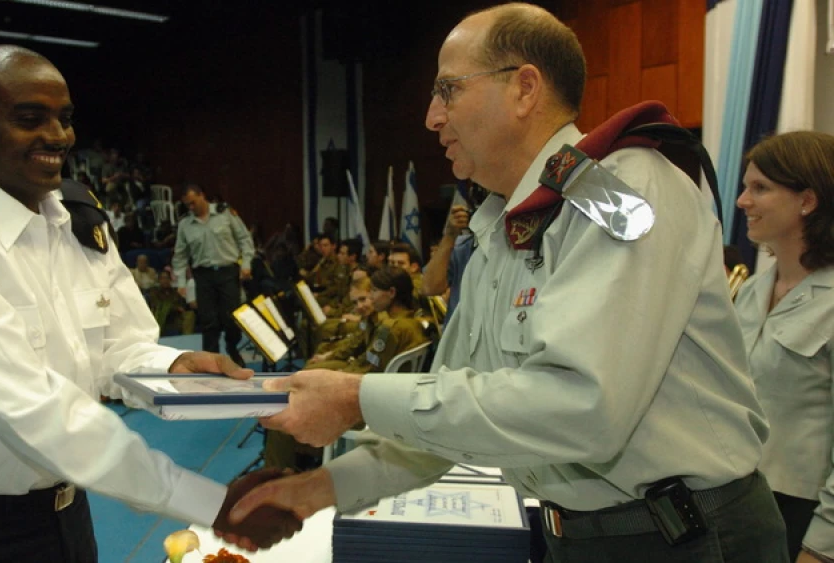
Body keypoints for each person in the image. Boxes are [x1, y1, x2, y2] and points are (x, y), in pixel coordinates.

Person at [226, 5, 787, 562]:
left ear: (524, 89)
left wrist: (357, 398)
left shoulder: (622, 191)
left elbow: (581, 407)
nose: (431, 117)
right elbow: (451, 418)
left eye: (448, 90)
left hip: (685, 540)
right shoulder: (505, 229)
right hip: (584, 539)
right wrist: (313, 491)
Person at [0, 45, 298, 563]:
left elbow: (117, 348)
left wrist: (173, 363)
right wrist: (210, 502)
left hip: (69, 514)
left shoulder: (78, 220)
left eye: (65, 119)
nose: (57, 136)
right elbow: (35, 410)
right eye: (31, 118)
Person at [734, 131, 834, 563]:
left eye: (760, 188)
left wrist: (820, 547)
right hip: (737, 505)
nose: (742, 201)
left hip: (803, 517)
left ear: (807, 201)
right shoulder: (751, 290)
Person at [171, 183, 254, 366]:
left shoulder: (226, 214)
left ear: (202, 195)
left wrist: (246, 264)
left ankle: (232, 349)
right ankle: (212, 362)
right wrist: (181, 283)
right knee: (209, 323)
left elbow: (244, 239)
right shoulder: (185, 224)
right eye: (188, 205)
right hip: (203, 276)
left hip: (228, 272)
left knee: (232, 319)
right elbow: (180, 255)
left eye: (193, 203)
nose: (191, 208)